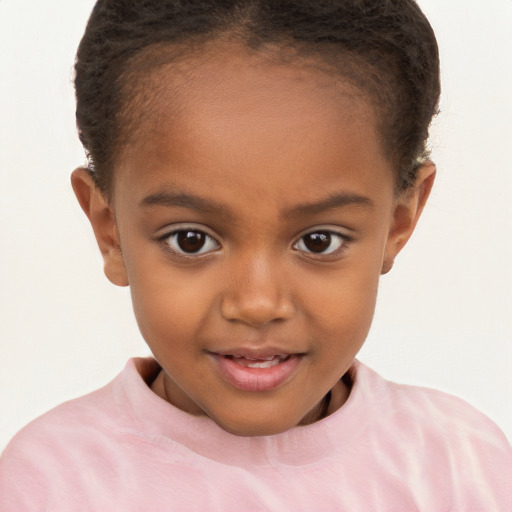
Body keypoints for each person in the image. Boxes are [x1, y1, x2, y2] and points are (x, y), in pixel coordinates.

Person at [1, 0, 510, 509]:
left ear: (398, 222)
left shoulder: (464, 469)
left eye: (318, 241)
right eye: (191, 240)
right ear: (109, 229)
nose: (258, 303)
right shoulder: (49, 484)